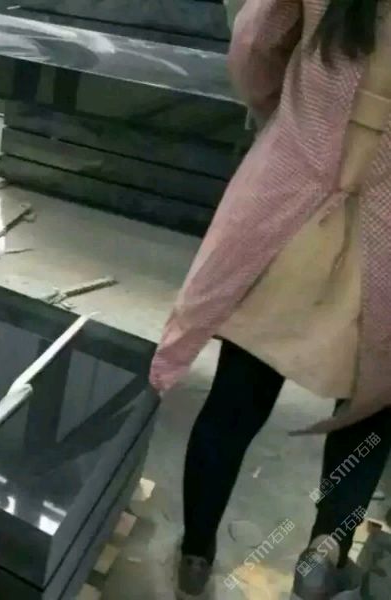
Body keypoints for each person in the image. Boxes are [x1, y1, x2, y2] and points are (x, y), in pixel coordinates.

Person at [148, 0, 391, 598]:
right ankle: (320, 560)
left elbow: (255, 43)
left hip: (289, 209)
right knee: (369, 413)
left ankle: (196, 556)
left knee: (236, 399)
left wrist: (287, 116)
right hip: (383, 242)